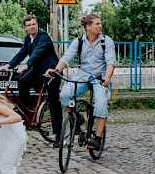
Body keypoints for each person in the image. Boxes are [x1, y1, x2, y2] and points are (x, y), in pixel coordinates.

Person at [46, 13, 115, 152]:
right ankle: (76, 119)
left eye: (100, 23)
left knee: (100, 103)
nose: (100, 26)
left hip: (100, 77)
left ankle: (97, 139)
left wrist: (107, 78)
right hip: (83, 75)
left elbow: (110, 62)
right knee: (65, 94)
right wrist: (56, 70)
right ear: (88, 27)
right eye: (97, 24)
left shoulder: (106, 41)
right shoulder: (79, 42)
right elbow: (66, 58)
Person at [0, 14, 61, 145]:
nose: (32, 27)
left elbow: (38, 51)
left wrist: (27, 65)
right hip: (37, 70)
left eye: (34, 24)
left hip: (50, 71)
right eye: (29, 25)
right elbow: (21, 54)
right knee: (23, 81)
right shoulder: (27, 39)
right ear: (25, 27)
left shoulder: (43, 37)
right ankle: (28, 113)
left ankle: (58, 134)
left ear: (37, 24)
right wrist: (8, 65)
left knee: (53, 101)